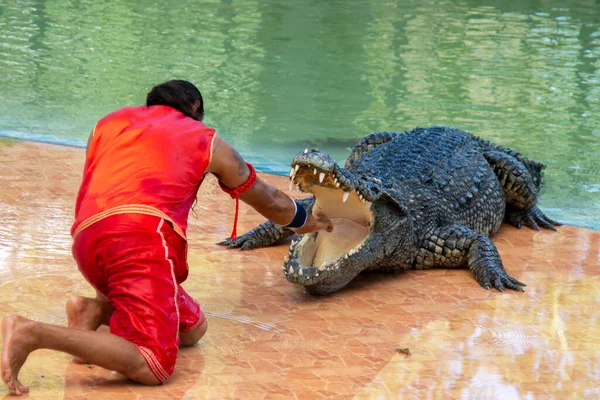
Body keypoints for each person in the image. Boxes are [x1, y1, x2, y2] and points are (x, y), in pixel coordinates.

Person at [1, 80, 333, 396]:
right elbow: (271, 201)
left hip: (86, 238)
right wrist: (306, 221)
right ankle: (32, 332)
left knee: (192, 329)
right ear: (196, 106)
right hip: (140, 240)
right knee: (154, 364)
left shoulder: (106, 124)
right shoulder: (207, 140)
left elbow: (102, 187)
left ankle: (95, 312)